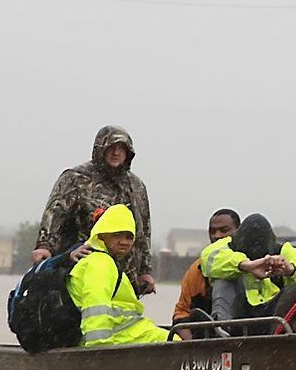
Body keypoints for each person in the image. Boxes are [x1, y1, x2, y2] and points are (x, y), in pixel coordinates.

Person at [32, 125, 155, 295]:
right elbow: (54, 216)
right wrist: (44, 247)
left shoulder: (136, 186)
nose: (116, 153)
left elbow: (143, 231)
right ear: (100, 149)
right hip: (84, 270)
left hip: (125, 276)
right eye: (111, 147)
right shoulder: (76, 178)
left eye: (121, 148)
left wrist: (145, 270)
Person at [67, 204, 170, 346]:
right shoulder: (100, 264)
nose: (124, 242)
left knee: (175, 340)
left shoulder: (105, 261)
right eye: (116, 235)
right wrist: (100, 351)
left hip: (127, 335)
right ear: (101, 235)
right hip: (121, 340)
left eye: (129, 237)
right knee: (179, 344)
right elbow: (96, 309)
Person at [200, 213, 296, 332]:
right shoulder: (226, 246)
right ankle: (223, 328)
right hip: (236, 315)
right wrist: (245, 265)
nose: (217, 235)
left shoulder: (281, 251)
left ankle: (284, 329)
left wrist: (291, 269)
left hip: (272, 314)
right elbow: (208, 257)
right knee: (222, 280)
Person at [171, 209, 241, 340]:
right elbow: (181, 314)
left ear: (239, 231)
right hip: (209, 338)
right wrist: (194, 346)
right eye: (212, 232)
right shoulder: (196, 270)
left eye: (224, 230)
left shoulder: (253, 264)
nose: (217, 236)